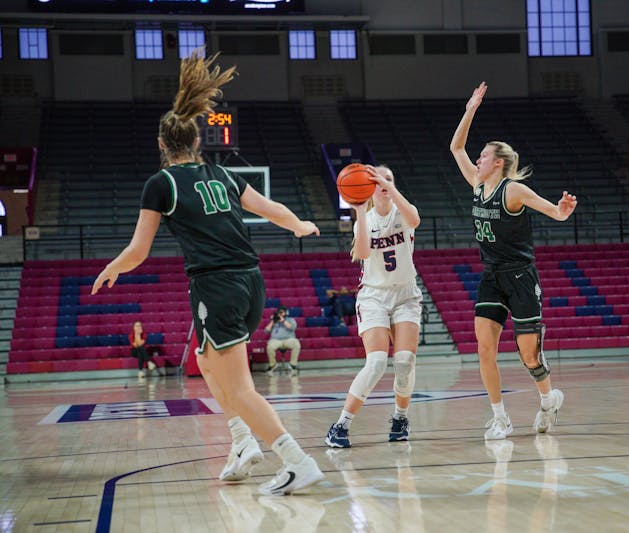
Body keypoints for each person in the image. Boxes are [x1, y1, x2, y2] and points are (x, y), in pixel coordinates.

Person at [91, 50, 323, 496]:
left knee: (239, 390)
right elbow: (269, 209)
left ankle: (297, 461)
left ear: (162, 145)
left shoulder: (161, 183)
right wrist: (298, 224)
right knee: (203, 358)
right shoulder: (221, 173)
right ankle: (241, 443)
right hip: (251, 283)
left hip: (216, 286)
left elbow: (139, 251)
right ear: (196, 142)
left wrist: (112, 267)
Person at [449, 82, 577, 439]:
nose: (478, 159)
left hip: (521, 276)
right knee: (484, 349)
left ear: (499, 162)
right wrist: (470, 108)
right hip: (491, 276)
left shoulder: (514, 190)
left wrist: (562, 211)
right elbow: (455, 146)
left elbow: (553, 211)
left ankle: (549, 399)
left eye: (484, 156)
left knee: (529, 356)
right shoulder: (477, 183)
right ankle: (500, 417)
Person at [325, 165, 422, 448]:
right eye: (377, 180)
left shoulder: (403, 212)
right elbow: (364, 252)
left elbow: (414, 219)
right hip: (374, 296)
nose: (382, 183)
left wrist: (388, 185)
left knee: (404, 362)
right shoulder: (363, 220)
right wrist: (357, 209)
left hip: (405, 294)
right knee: (377, 362)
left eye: (388, 178)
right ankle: (340, 425)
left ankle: (400, 418)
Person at [265, 305, 301, 376]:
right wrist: (272, 321)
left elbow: (292, 327)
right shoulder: (274, 321)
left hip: (288, 340)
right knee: (270, 346)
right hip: (276, 340)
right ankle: (273, 364)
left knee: (296, 343)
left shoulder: (290, 320)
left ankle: (292, 364)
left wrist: (283, 321)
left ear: (286, 313)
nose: (280, 314)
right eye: (279, 312)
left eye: (282, 312)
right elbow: (266, 331)